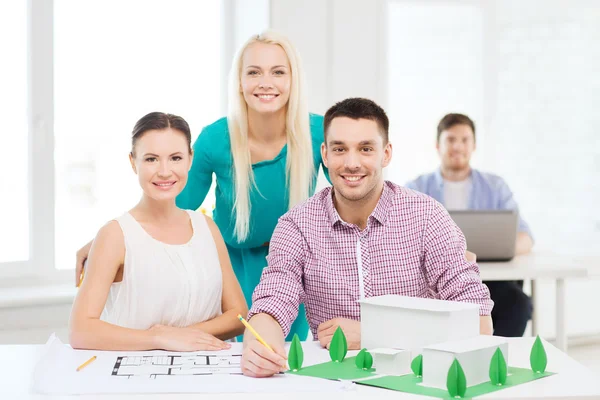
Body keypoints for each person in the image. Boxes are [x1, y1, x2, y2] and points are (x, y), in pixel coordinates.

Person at [74, 31, 328, 340]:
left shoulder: (318, 133)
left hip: (294, 268)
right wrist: (108, 242)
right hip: (235, 270)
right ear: (239, 81)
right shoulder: (215, 139)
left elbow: (344, 196)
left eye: (278, 72)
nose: (266, 82)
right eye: (253, 72)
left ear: (293, 78)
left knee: (290, 363)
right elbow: (175, 201)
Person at [240, 98, 493, 378]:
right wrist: (259, 345)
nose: (351, 163)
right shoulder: (296, 225)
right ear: (324, 154)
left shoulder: (427, 216)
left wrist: (372, 335)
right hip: (331, 382)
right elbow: (273, 303)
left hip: (415, 379)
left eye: (365, 149)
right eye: (340, 149)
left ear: (386, 154)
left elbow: (479, 323)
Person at [69, 112, 247, 351]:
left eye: (175, 158)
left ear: (190, 160)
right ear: (133, 162)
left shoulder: (207, 228)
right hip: (136, 377)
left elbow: (239, 315)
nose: (164, 171)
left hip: (207, 374)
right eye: (151, 159)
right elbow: (81, 331)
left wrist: (183, 335)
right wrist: (158, 339)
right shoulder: (114, 236)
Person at [405, 113, 533, 337]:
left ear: (474, 145)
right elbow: (400, 235)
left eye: (465, 140)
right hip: (435, 284)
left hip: (489, 279)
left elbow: (525, 237)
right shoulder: (416, 187)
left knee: (519, 304)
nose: (458, 147)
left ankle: (496, 359)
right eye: (451, 140)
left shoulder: (495, 186)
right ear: (438, 145)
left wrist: (499, 249)